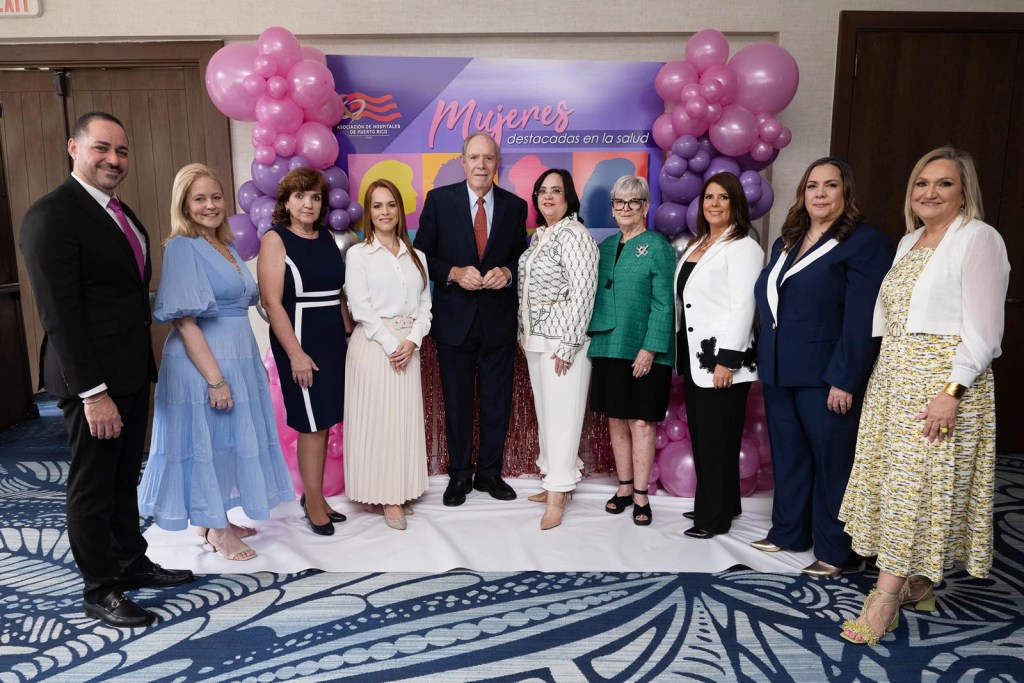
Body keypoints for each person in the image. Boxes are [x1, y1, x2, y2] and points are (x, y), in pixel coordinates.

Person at [18, 111, 193, 628]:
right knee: (93, 484)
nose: (114, 160)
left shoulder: (119, 211)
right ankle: (100, 587)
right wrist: (94, 393)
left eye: (121, 151)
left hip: (132, 371)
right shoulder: (51, 216)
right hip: (92, 381)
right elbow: (61, 315)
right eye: (102, 148)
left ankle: (129, 560)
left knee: (122, 478)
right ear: (74, 148)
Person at [838, 147, 1009, 645]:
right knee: (898, 485)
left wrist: (951, 391)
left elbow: (985, 331)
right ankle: (917, 583)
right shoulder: (910, 241)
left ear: (964, 192)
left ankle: (885, 601)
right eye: (921, 184)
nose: (929, 193)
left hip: (943, 384)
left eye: (944, 184)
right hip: (893, 380)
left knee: (914, 491)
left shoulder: (979, 239)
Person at [137, 163, 294, 560]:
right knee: (209, 442)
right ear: (184, 205)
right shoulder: (182, 246)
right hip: (203, 365)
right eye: (200, 199)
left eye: (216, 196)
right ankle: (218, 533)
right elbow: (185, 321)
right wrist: (215, 379)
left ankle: (214, 517)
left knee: (225, 442)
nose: (211, 205)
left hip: (235, 358)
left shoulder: (222, 244)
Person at [752, 157, 894, 576]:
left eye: (830, 186)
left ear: (845, 193)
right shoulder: (786, 241)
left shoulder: (865, 243)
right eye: (812, 185)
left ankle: (839, 552)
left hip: (827, 376)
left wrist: (845, 379)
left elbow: (863, 318)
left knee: (835, 462)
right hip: (780, 369)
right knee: (790, 456)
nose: (819, 193)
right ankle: (790, 532)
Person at [413, 132, 528, 507]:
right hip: (453, 320)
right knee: (457, 401)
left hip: (498, 320)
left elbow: (521, 259)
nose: (481, 165)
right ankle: (459, 475)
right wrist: (453, 272)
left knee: (497, 400)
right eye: (474, 158)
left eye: (489, 159)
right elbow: (420, 257)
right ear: (462, 161)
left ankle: (490, 474)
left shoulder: (515, 206)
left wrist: (508, 274)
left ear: (498, 164)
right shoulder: (439, 201)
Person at [258, 168, 353, 536]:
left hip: (331, 339)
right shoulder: (275, 239)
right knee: (311, 424)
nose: (309, 203)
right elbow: (272, 302)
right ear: (285, 202)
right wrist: (295, 353)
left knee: (326, 420)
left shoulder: (327, 237)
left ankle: (317, 496)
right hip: (300, 339)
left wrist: (348, 336)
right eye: (300, 197)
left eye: (315, 197)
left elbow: (337, 295)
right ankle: (312, 501)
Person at [674, 173, 764, 539]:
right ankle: (722, 503)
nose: (714, 203)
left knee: (716, 440)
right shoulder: (700, 243)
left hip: (721, 361)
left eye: (723, 198)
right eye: (709, 197)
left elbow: (745, 306)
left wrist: (727, 359)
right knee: (708, 437)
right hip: (695, 358)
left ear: (735, 204)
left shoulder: (744, 247)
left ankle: (713, 518)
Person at [343, 179, 432, 531]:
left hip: (408, 346)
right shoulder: (358, 254)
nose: (385, 212)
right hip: (374, 345)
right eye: (377, 206)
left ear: (400, 210)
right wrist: (391, 343)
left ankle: (402, 488)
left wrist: (412, 341)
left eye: (391, 205)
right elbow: (359, 307)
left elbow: (425, 306)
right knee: (380, 422)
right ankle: (387, 498)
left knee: (402, 421)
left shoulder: (417, 256)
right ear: (369, 212)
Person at [588, 175, 675, 526]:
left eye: (633, 202)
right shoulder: (606, 246)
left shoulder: (658, 246)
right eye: (618, 202)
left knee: (641, 421)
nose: (625, 208)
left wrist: (651, 349)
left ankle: (641, 494)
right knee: (615, 418)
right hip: (608, 344)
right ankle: (624, 487)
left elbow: (665, 303)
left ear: (645, 206)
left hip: (643, 349)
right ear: (612, 207)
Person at [518, 169, 599, 530]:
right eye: (542, 191)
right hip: (536, 339)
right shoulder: (542, 237)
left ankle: (558, 493)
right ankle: (553, 479)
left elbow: (583, 293)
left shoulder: (575, 235)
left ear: (569, 198)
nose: (548, 196)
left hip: (563, 342)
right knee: (548, 413)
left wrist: (568, 344)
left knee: (564, 417)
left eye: (556, 190)